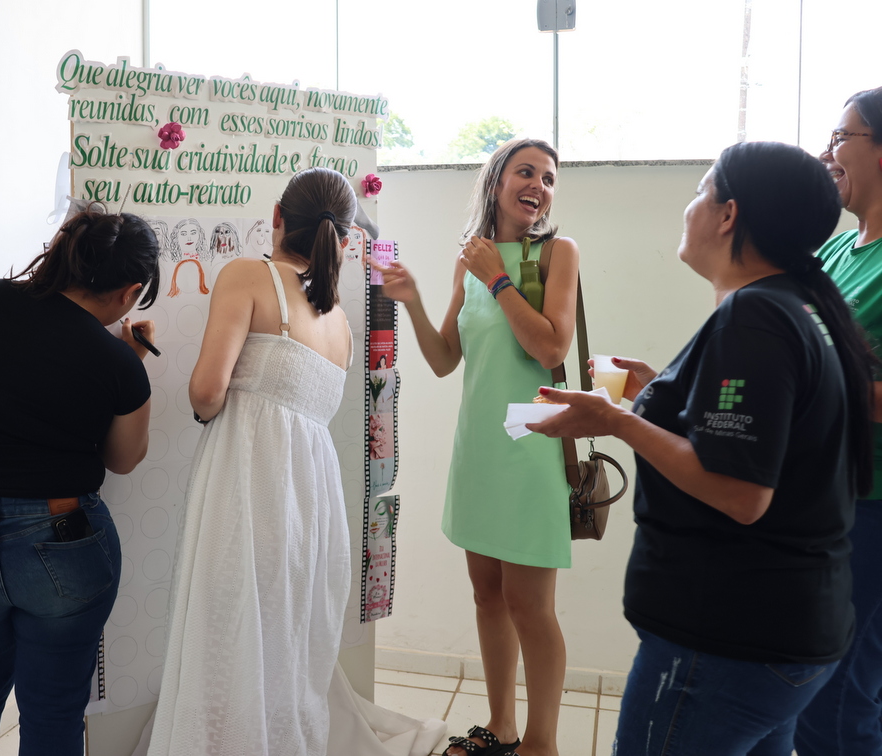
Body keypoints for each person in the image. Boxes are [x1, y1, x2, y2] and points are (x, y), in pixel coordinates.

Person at [529, 141, 874, 755]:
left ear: (728, 214)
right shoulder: (797, 306)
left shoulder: (754, 317)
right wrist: (661, 396)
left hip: (726, 639)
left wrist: (617, 422)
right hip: (785, 634)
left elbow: (740, 493)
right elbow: (766, 434)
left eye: (700, 191)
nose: (688, 208)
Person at [0, 206, 161, 756]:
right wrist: (128, 360)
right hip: (61, 534)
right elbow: (124, 459)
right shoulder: (117, 361)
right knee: (52, 710)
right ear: (130, 292)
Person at [374, 138, 580, 756]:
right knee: (487, 595)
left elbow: (551, 347)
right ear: (496, 182)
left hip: (531, 448)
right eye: (526, 172)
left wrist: (498, 278)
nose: (539, 185)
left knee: (530, 606)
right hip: (480, 452)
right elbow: (444, 360)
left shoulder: (558, 254)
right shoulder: (469, 259)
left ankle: (541, 744)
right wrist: (412, 302)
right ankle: (502, 727)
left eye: (548, 178)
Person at [146, 167, 356, 756]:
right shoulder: (339, 320)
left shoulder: (248, 275)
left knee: (228, 625)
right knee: (287, 634)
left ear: (277, 217)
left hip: (249, 478)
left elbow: (206, 392)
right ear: (342, 240)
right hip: (313, 498)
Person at [795, 86, 882, 755]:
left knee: (843, 699)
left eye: (840, 137)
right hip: (822, 499)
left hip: (873, 509)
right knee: (811, 691)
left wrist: (814, 387)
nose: (827, 154)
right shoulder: (832, 254)